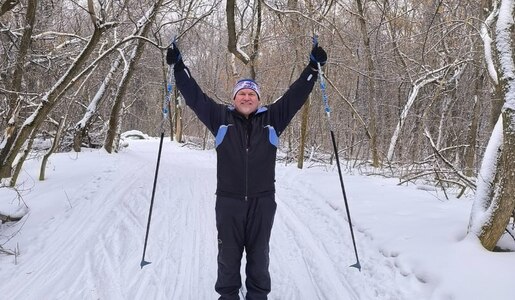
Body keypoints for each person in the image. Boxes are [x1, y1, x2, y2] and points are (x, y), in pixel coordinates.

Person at [166, 41, 327, 300]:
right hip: (228, 201)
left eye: (252, 94)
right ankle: (228, 296)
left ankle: (258, 296)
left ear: (259, 100)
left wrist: (312, 68)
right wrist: (179, 68)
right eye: (242, 93)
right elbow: (195, 97)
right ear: (234, 98)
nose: (246, 97)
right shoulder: (220, 119)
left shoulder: (272, 120)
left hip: (262, 201)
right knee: (228, 255)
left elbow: (295, 96)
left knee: (259, 256)